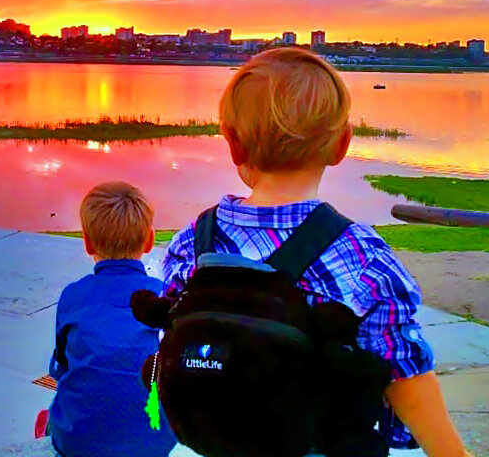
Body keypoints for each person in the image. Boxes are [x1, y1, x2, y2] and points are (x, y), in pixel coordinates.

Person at [156, 48, 470, 457]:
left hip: (218, 443)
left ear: (232, 144)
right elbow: (404, 373)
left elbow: (171, 335)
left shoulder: (193, 242)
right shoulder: (360, 256)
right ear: (341, 145)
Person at [44, 181, 177, 457]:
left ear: (87, 242)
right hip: (156, 444)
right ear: (149, 240)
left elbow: (61, 367)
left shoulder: (74, 296)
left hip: (77, 446)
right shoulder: (165, 298)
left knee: (52, 413)